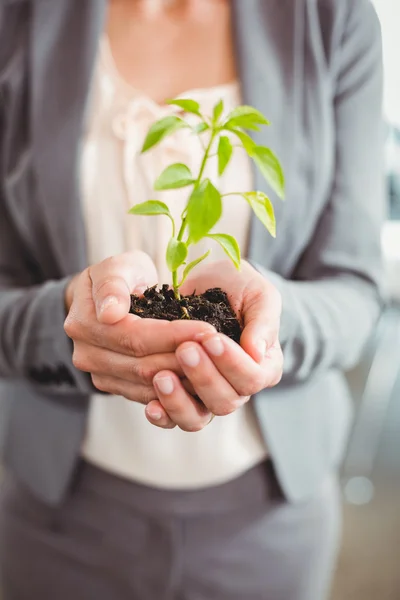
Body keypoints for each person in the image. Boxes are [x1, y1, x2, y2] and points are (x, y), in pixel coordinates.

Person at [0, 0, 384, 599]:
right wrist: (66, 316)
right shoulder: (18, 19)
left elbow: (356, 291)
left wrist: (269, 324)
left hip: (268, 519)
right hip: (57, 516)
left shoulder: (331, 19)